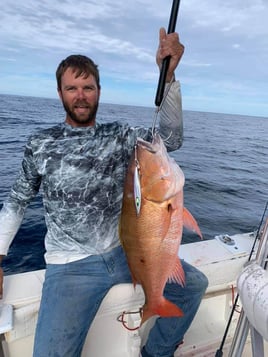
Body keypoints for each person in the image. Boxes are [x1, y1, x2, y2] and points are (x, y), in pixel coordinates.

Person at [0, 28, 208, 357]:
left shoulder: (122, 135)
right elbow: (16, 203)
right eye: (72, 88)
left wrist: (168, 77)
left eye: (88, 87)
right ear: (60, 93)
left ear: (99, 91)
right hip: (70, 266)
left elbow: (170, 137)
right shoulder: (40, 144)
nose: (80, 95)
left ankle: (156, 352)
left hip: (123, 252)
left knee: (194, 285)